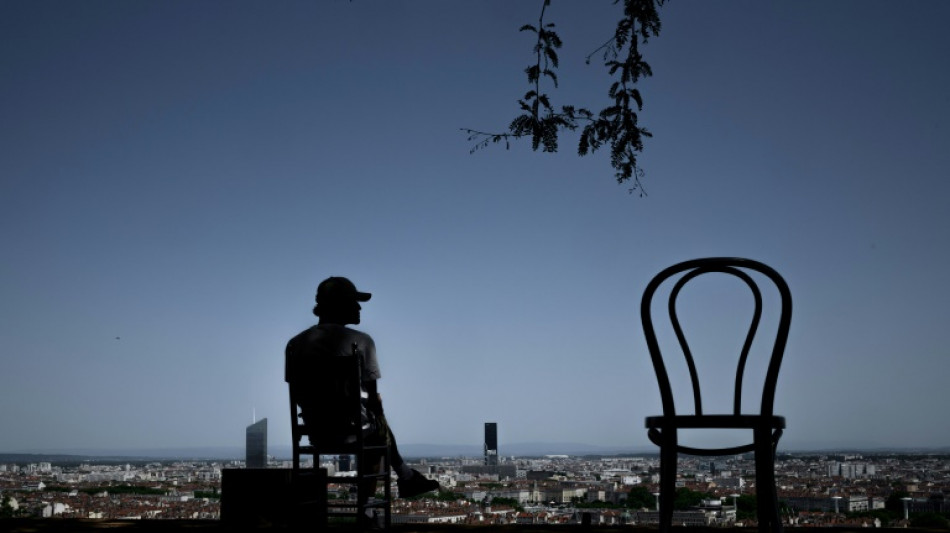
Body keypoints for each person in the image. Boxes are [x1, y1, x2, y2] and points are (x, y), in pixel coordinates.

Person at [285, 276, 440, 499]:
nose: (358, 307)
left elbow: (297, 390)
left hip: (317, 432)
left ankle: (406, 477)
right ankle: (376, 501)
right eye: (353, 302)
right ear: (339, 305)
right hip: (352, 431)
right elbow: (374, 402)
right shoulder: (361, 342)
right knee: (377, 430)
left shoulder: (295, 344)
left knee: (375, 426)